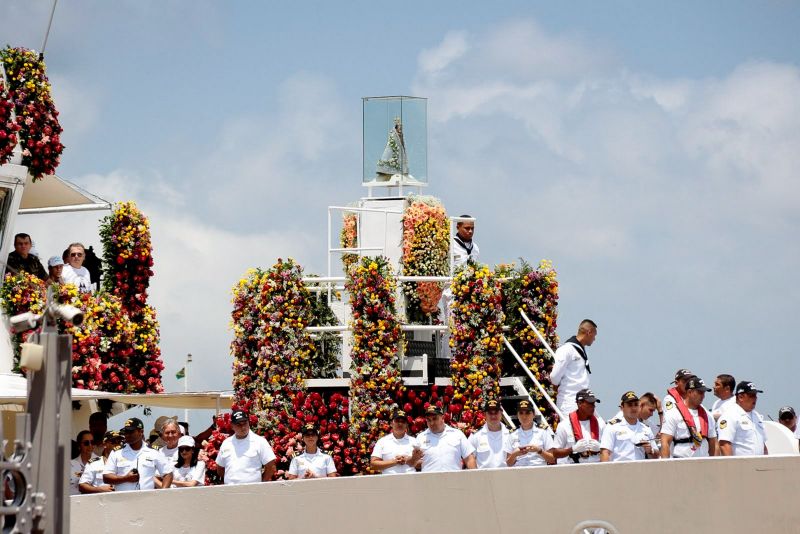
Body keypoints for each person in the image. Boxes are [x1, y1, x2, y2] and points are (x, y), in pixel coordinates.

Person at [103, 417, 173, 491]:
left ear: (141, 432)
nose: (127, 435)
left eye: (131, 432)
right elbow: (106, 477)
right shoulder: (116, 452)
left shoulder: (154, 451)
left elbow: (168, 474)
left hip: (147, 499)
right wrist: (125, 479)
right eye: (126, 432)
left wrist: (163, 492)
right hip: (123, 500)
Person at [660, 377, 717, 458]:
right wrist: (665, 466)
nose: (703, 396)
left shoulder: (707, 415)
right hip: (681, 464)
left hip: (704, 463)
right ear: (689, 392)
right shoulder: (673, 413)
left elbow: (714, 443)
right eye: (700, 392)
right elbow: (665, 441)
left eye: (704, 393)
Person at [216, 410, 276, 484]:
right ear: (232, 426)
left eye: (245, 423)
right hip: (230, 492)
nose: (243, 427)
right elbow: (219, 468)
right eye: (239, 424)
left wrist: (260, 484)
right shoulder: (226, 443)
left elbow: (271, 467)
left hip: (253, 493)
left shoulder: (259, 442)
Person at [550, 320, 598, 414]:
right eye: (594, 335)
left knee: (600, 426)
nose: (594, 339)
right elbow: (554, 377)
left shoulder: (581, 350)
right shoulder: (566, 349)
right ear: (589, 332)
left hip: (584, 400)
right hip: (569, 401)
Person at [414, 405, 476, 472]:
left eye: (435, 419)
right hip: (429, 480)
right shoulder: (420, 437)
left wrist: (475, 478)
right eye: (428, 420)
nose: (432, 423)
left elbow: (469, 458)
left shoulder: (457, 434)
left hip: (454, 480)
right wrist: (416, 460)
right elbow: (415, 463)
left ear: (442, 418)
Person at [551, 389, 605, 464]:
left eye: (593, 403)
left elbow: (610, 450)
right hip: (573, 468)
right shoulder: (564, 425)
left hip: (596, 467)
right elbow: (555, 453)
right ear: (579, 403)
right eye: (590, 403)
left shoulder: (601, 424)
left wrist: (600, 448)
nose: (593, 406)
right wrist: (572, 449)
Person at [599, 392, 657, 462]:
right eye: (629, 405)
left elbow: (656, 457)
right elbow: (605, 452)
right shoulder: (612, 427)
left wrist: (650, 451)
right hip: (618, 470)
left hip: (640, 470)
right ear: (622, 408)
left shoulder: (646, 429)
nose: (633, 408)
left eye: (636, 405)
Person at [718, 381, 768, 456]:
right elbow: (724, 444)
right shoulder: (730, 415)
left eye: (756, 395)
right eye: (751, 395)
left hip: (759, 465)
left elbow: (762, 444)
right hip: (741, 466)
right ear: (740, 397)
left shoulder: (757, 416)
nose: (755, 398)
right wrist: (732, 466)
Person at [505, 400, 555, 467]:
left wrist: (539, 450)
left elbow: (552, 459)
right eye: (521, 413)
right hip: (519, 473)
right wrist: (515, 454)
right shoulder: (512, 434)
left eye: (528, 413)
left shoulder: (543, 432)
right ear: (517, 415)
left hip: (539, 471)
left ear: (534, 414)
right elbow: (509, 463)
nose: (524, 416)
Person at [370, 409, 421, 474]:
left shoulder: (414, 441)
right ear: (391, 423)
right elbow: (373, 465)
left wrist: (409, 460)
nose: (400, 424)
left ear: (406, 425)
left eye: (403, 422)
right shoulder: (382, 442)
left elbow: (422, 464)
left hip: (409, 480)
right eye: (397, 421)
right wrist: (394, 462)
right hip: (389, 481)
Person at [468, 399, 511, 469]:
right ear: (485, 414)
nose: (493, 416)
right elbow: (470, 459)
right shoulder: (475, 436)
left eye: (496, 412)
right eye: (490, 413)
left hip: (507, 477)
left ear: (501, 413)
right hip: (483, 478)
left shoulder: (511, 434)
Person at [70, 431, 99, 495]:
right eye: (86, 443)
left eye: (92, 442)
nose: (90, 445)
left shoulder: (102, 462)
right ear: (79, 445)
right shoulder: (70, 465)